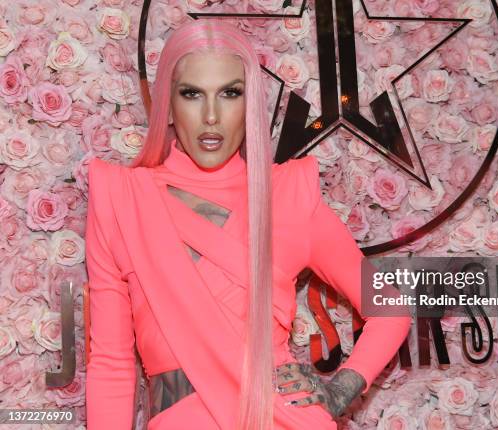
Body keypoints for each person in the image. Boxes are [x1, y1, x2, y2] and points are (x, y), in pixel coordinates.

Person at [84, 19, 412, 430]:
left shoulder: (289, 194)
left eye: (229, 94)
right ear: (167, 103)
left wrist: (340, 389)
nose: (210, 116)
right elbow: (111, 364)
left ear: (249, 102)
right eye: (191, 94)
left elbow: (391, 308)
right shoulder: (121, 199)